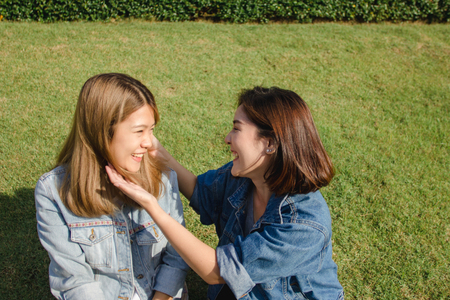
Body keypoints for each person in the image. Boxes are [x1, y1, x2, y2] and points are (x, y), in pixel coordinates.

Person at [106, 86, 344, 299]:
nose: (227, 138)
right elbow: (201, 191)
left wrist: (152, 207)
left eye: (236, 129)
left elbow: (216, 271)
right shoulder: (243, 177)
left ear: (270, 143)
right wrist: (160, 154)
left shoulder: (304, 224)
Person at [35, 73, 189, 300]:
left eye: (152, 129)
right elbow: (75, 279)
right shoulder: (53, 191)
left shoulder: (162, 176)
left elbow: (177, 257)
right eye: (139, 131)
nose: (149, 143)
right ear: (102, 131)